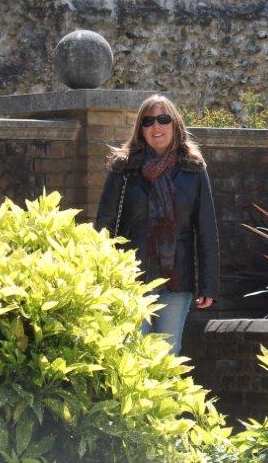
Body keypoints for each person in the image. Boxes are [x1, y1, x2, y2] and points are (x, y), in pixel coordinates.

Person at [95, 94, 219, 355]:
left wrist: (208, 283)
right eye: (148, 121)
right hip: (131, 279)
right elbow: (105, 226)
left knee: (166, 356)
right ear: (140, 129)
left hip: (176, 280)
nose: (156, 127)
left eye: (163, 119)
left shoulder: (193, 169)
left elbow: (206, 229)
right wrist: (100, 276)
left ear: (175, 124)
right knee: (131, 354)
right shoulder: (124, 168)